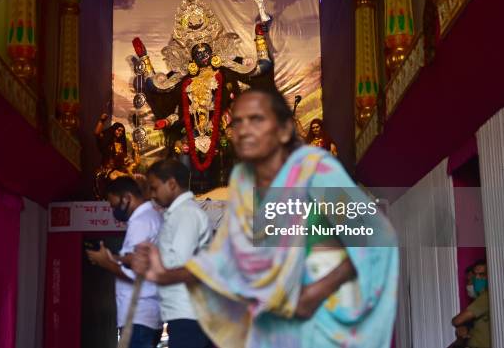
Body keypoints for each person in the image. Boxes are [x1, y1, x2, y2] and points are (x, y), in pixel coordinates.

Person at [132, 86, 399, 348]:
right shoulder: (245, 183)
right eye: (237, 122)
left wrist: (313, 293)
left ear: (284, 130)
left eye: (257, 119)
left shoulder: (314, 172)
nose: (245, 129)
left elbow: (377, 236)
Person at [132, 0, 274, 193]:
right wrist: (144, 58)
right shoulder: (184, 80)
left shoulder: (225, 72)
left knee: (234, 149)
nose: (202, 55)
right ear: (190, 58)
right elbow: (158, 88)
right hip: (190, 133)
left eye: (205, 51)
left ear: (213, 51)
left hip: (222, 129)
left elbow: (261, 69)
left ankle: (238, 196)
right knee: (181, 153)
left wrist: (259, 38)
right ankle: (186, 198)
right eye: (197, 53)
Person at [86, 176, 163, 348]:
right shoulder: (151, 217)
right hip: (146, 313)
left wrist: (105, 262)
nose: (114, 211)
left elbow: (136, 273)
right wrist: (114, 257)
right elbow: (135, 258)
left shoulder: (141, 222)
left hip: (138, 314)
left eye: (114, 205)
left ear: (127, 198)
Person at [145, 159, 213, 348]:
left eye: (154, 188)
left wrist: (156, 272)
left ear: (172, 184)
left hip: (189, 313)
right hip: (184, 312)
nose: (152, 195)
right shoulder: (179, 213)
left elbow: (184, 266)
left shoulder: (185, 214)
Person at [452, 260, 490, 348]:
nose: (477, 279)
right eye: (475, 276)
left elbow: (457, 320)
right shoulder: (478, 299)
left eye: (482, 275)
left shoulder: (486, 297)